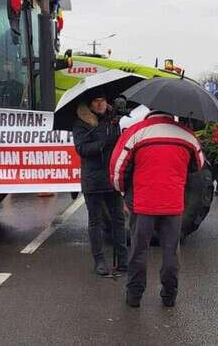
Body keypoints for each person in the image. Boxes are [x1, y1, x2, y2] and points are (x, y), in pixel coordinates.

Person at [109, 111, 204, 308]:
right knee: (171, 252)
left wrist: (123, 192)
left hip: (143, 204)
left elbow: (118, 168)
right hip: (173, 204)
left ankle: (134, 295)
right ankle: (169, 295)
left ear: (149, 114)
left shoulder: (136, 132)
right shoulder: (187, 135)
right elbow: (198, 165)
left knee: (138, 251)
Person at [72, 92, 128, 276]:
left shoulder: (113, 120)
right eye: (96, 101)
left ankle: (122, 258)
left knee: (118, 219)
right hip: (93, 179)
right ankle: (99, 261)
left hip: (111, 178)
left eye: (103, 100)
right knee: (95, 221)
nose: (100, 104)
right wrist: (104, 143)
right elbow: (82, 149)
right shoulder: (81, 123)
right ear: (90, 104)